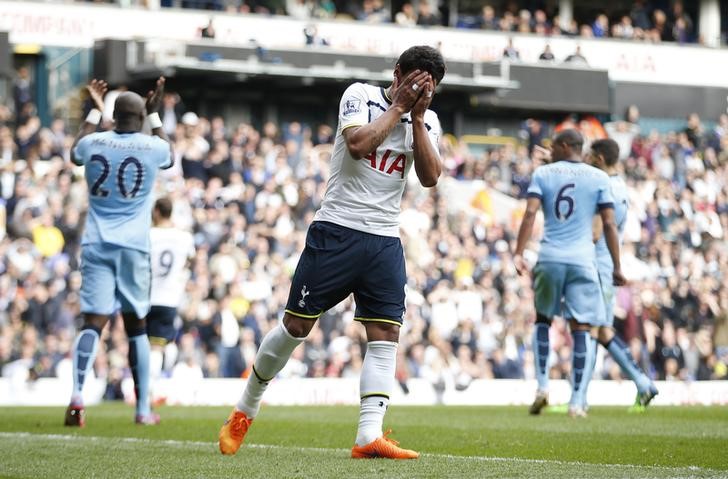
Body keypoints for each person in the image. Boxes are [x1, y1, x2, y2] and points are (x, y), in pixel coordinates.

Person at [218, 45, 446, 459]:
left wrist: (414, 117)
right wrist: (397, 108)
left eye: (427, 90)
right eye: (413, 84)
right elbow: (358, 144)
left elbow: (430, 177)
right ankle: (244, 409)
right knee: (296, 327)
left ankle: (368, 436)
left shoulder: (427, 121)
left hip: (384, 240)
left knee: (385, 333)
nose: (418, 94)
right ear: (396, 74)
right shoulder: (359, 95)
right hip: (336, 230)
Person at [64, 77, 173, 427]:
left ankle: (78, 397)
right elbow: (168, 155)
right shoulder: (151, 146)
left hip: (97, 242)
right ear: (141, 116)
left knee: (92, 322)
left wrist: (94, 113)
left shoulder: (94, 141)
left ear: (113, 115)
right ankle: (142, 411)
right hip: (134, 247)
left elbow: (74, 152)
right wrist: (155, 117)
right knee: (136, 327)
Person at [513, 129, 626, 418]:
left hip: (550, 256)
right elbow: (609, 224)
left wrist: (518, 252)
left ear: (565, 146)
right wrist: (617, 266)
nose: (550, 150)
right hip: (583, 260)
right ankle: (577, 401)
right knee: (582, 328)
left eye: (554, 146)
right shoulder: (599, 178)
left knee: (542, 320)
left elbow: (529, 214)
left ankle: (541, 387)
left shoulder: (544, 173)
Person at [588, 139, 658, 411]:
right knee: (599, 330)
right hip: (606, 267)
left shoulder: (605, 187)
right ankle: (642, 383)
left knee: (591, 328)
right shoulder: (620, 187)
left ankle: (641, 382)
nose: (588, 160)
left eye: (591, 156)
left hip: (598, 267)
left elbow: (597, 232)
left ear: (601, 158)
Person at [146, 197, 195, 402]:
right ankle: (150, 387)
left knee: (143, 343)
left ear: (156, 211)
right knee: (158, 346)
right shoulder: (183, 237)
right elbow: (189, 261)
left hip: (146, 296)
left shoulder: (148, 235)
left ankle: (145, 388)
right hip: (169, 297)